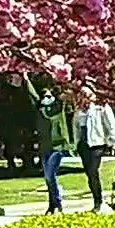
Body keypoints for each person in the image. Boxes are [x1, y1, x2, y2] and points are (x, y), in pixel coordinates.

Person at [27, 76, 73, 215]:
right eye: (44, 96)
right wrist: (26, 79)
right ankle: (52, 205)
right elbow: (32, 94)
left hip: (57, 147)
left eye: (49, 96)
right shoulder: (39, 110)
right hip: (44, 147)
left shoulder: (57, 109)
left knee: (49, 175)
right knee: (48, 178)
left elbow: (61, 98)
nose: (47, 98)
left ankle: (57, 202)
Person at [73, 85, 115, 212]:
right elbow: (76, 128)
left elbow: (111, 125)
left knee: (93, 171)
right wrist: (76, 143)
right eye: (82, 95)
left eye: (87, 95)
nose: (85, 98)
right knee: (89, 174)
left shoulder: (101, 108)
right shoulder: (79, 111)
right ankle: (96, 200)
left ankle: (99, 201)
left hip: (96, 144)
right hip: (83, 145)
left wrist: (114, 142)